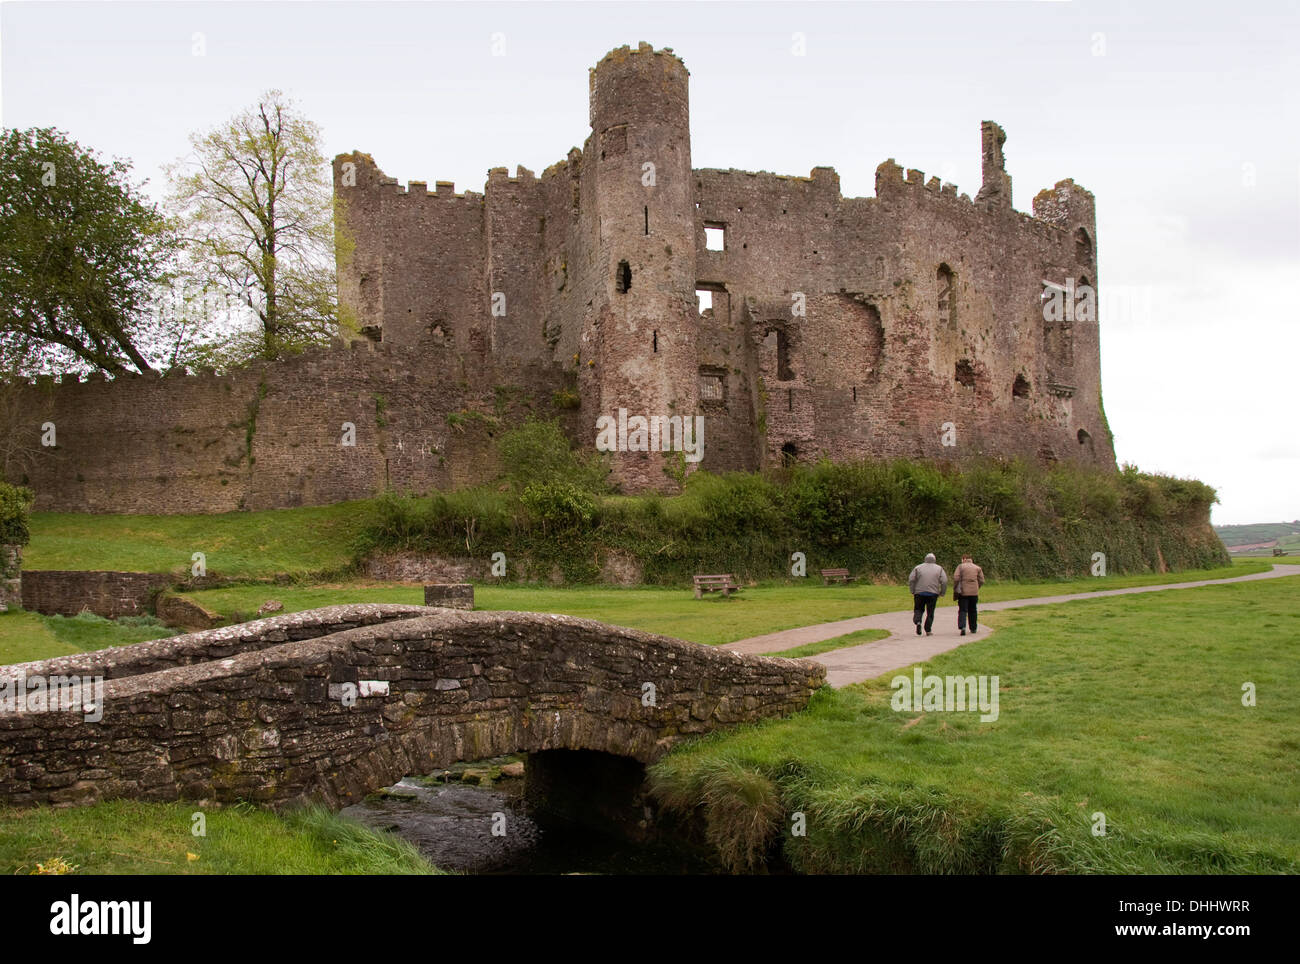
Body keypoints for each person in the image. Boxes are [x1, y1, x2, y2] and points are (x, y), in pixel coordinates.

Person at [907, 552, 948, 637]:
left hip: (919, 593)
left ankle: (918, 621)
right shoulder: (939, 568)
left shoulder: (918, 567)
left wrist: (912, 590)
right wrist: (942, 593)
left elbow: (911, 579)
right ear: (934, 560)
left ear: (925, 559)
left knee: (918, 609)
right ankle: (928, 629)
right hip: (933, 594)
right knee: (930, 612)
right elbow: (944, 581)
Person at [952, 553, 985, 636]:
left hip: (963, 592)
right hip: (974, 592)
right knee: (973, 610)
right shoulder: (977, 568)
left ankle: (962, 627)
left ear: (964, 559)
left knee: (963, 610)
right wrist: (977, 587)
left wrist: (956, 587)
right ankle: (973, 628)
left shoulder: (960, 567)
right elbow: (982, 580)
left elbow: (956, 578)